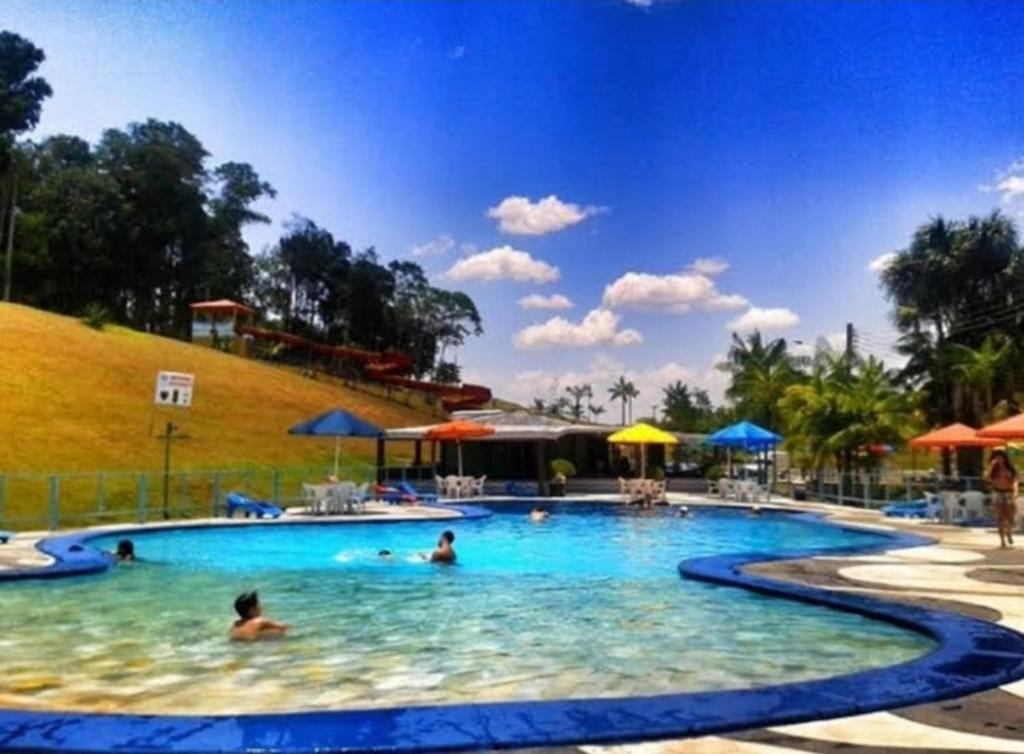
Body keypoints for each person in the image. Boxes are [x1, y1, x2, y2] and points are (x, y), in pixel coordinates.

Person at [986, 450, 1018, 548]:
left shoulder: (1010, 469)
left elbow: (1015, 481)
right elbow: (987, 478)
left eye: (1001, 457)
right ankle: (1002, 541)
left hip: (1009, 492)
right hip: (998, 492)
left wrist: (1015, 492)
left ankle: (1008, 531)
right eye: (997, 458)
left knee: (1011, 516)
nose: (999, 460)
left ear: (1004, 458)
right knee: (1000, 517)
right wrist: (991, 466)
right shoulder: (993, 470)